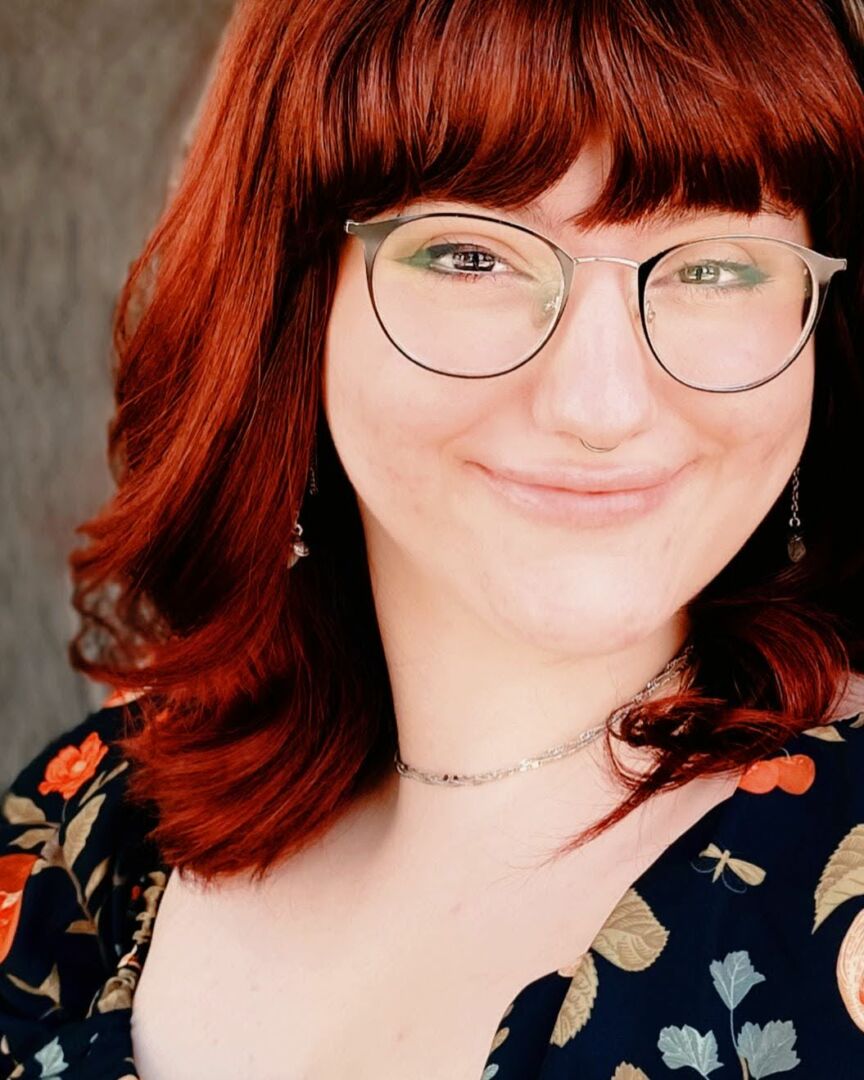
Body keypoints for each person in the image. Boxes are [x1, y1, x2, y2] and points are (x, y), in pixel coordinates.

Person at [3, 0, 864, 1076]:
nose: (599, 406)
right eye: (469, 256)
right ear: (292, 302)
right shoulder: (80, 830)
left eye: (717, 267)